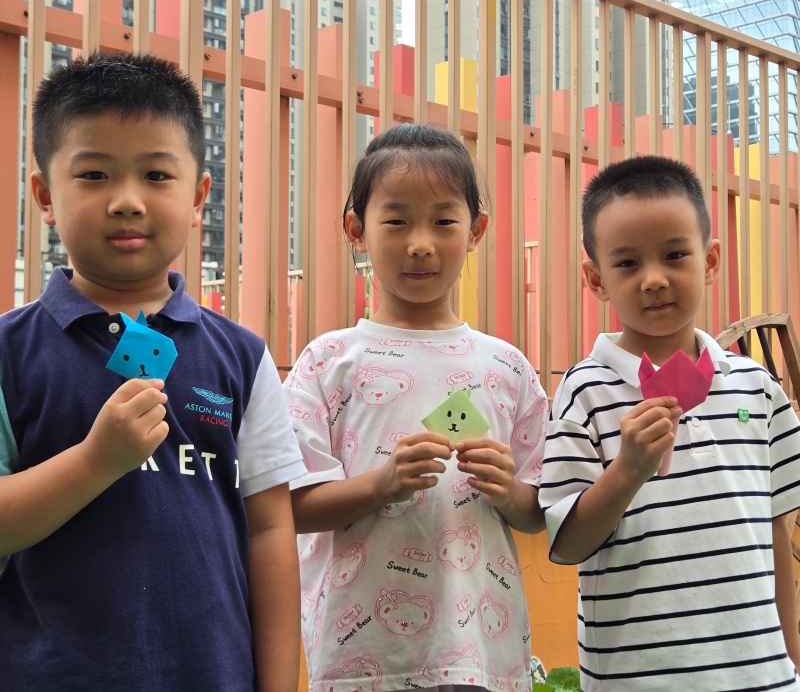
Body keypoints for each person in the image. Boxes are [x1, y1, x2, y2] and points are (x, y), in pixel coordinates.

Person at [0, 51, 306, 691]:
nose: (127, 201)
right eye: (93, 175)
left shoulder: (242, 357)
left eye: (156, 175)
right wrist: (96, 461)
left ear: (198, 198)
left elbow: (271, 529)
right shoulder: (9, 351)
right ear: (44, 196)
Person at [284, 123, 548, 691]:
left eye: (444, 221)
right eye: (397, 221)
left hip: (481, 655)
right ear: (356, 230)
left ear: (476, 230)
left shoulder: (506, 368)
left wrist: (508, 490)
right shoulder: (328, 362)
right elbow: (293, 508)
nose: (421, 243)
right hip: (362, 661)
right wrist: (382, 484)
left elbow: (540, 511)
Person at [539, 155, 800, 690]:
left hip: (763, 675)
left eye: (675, 255)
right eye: (628, 263)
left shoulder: (757, 388)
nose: (654, 279)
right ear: (596, 279)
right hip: (636, 678)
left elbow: (778, 528)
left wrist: (791, 656)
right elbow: (566, 545)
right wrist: (627, 470)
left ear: (710, 260)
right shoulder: (585, 391)